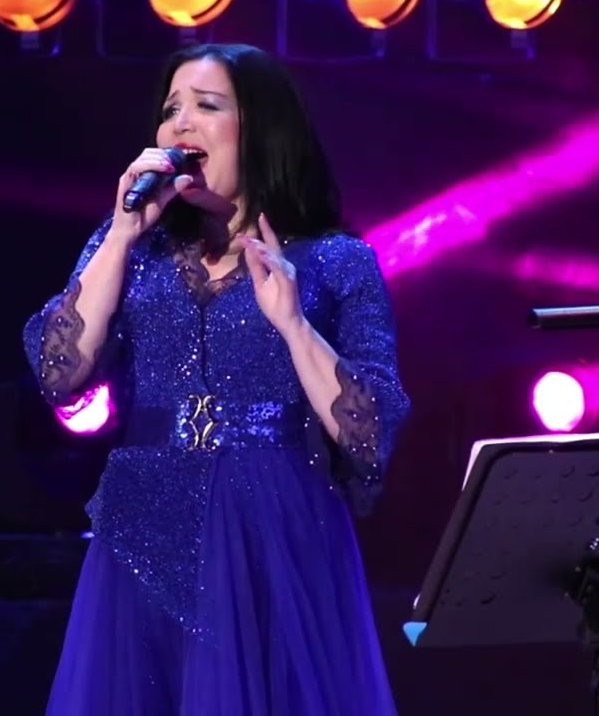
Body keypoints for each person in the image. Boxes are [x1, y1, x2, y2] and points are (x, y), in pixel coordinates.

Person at [22, 42, 410, 715]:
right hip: (144, 525)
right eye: (171, 109)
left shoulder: (336, 262)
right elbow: (61, 373)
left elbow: (370, 433)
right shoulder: (132, 249)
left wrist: (294, 323)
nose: (180, 124)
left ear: (260, 128)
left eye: (206, 106)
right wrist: (120, 233)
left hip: (273, 529)